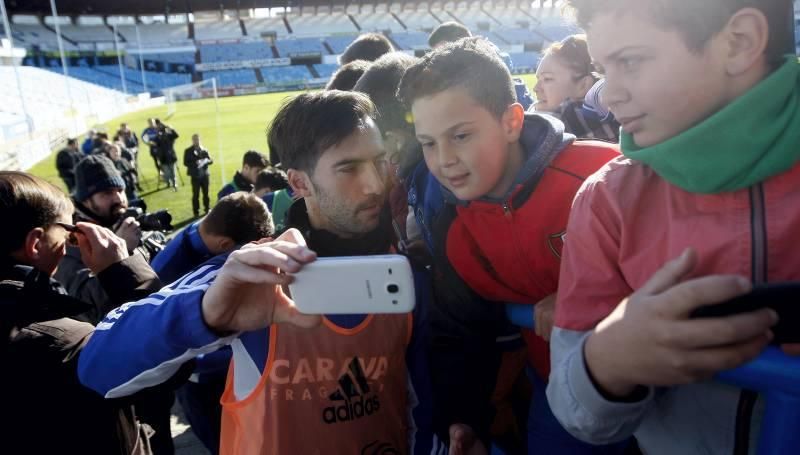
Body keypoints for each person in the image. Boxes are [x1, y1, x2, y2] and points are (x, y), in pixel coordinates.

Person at [78, 90, 441, 454]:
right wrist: (207, 314)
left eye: (380, 162)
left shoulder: (406, 278)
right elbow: (97, 367)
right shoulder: (252, 274)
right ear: (299, 183)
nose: (375, 184)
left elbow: (426, 411)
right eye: (349, 168)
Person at [546, 1, 800, 454]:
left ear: (738, 42)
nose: (607, 94)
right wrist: (609, 359)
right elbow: (573, 409)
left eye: (630, 61)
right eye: (604, 67)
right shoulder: (607, 200)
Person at [398, 37, 622, 454]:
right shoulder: (456, 233)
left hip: (677, 393)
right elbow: (463, 332)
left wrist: (591, 295)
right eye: (428, 143)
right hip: (562, 400)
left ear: (511, 121)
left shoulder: (606, 173)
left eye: (460, 135)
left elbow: (690, 259)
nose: (443, 159)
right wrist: (465, 420)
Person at [0, 171, 165, 455]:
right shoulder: (65, 343)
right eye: (67, 232)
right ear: (36, 244)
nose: (67, 245)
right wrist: (123, 272)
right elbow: (163, 366)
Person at [150, 192, 272, 454]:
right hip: (202, 387)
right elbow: (171, 350)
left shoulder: (211, 237)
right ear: (225, 244)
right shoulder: (163, 276)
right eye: (246, 253)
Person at [533, 34, 621, 141]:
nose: (536, 88)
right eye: (538, 80)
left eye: (547, 79)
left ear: (583, 86)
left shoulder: (572, 117)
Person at [184, 134, 214, 218]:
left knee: (206, 193)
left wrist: (206, 161)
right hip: (195, 176)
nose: (196, 141)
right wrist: (195, 163)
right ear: (192, 140)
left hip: (205, 175)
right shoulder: (188, 151)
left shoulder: (204, 149)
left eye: (197, 139)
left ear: (200, 140)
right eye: (194, 140)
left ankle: (207, 209)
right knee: (196, 194)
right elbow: (185, 163)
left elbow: (211, 160)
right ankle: (196, 212)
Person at [154, 119, 179, 191]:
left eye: (161, 125)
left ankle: (175, 184)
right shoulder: (157, 135)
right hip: (162, 157)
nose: (160, 126)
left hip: (170, 155)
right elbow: (155, 143)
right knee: (167, 172)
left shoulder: (168, 132)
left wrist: (171, 129)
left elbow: (176, 135)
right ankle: (168, 182)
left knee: (173, 171)